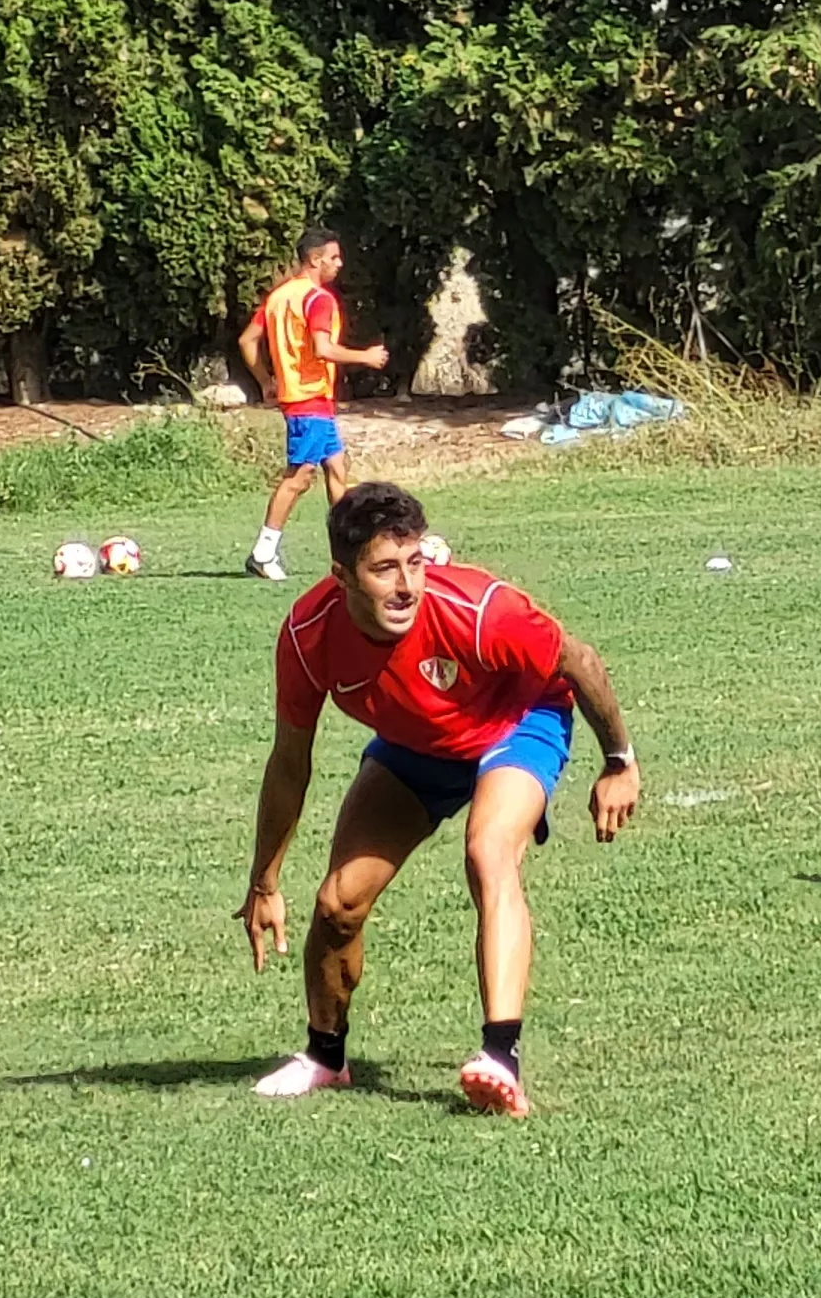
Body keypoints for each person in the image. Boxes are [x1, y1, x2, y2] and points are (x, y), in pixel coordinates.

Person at [240, 481, 642, 1115]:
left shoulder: (480, 610)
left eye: (415, 562)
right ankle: (325, 1057)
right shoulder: (308, 636)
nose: (407, 585)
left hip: (517, 723)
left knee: (489, 851)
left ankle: (500, 1056)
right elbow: (290, 763)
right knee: (338, 904)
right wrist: (265, 880)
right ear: (341, 577)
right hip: (417, 744)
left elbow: (580, 661)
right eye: (384, 569)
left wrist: (619, 761)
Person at [239, 227, 390, 582]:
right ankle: (263, 552)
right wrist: (366, 357)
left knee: (337, 470)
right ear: (315, 259)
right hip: (308, 398)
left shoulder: (279, 297)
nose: (339, 264)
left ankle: (351, 554)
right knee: (299, 477)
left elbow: (247, 340)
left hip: (306, 398)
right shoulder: (318, 299)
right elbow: (323, 349)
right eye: (334, 258)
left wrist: (265, 381)